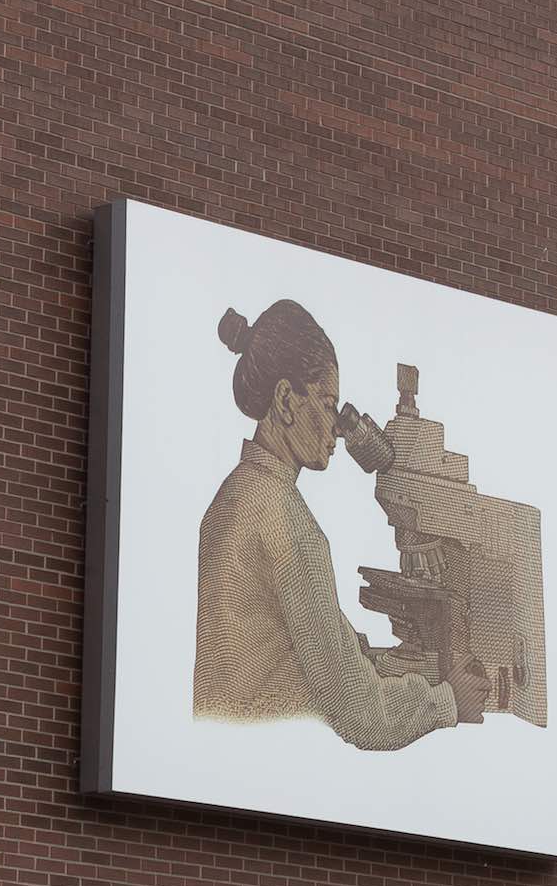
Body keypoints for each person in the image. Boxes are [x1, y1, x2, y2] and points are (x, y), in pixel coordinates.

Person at [193, 299, 468, 749]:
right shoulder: (289, 525)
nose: (339, 429)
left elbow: (281, 636)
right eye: (327, 403)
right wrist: (449, 700)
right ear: (285, 400)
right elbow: (363, 718)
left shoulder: (230, 498)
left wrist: (357, 653)